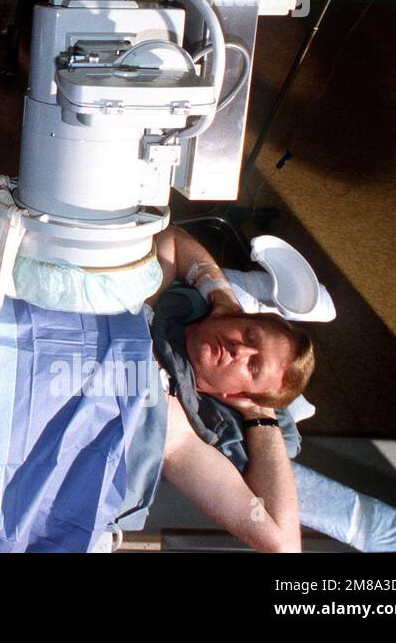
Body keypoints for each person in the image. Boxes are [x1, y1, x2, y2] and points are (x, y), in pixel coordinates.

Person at [111, 224, 316, 552]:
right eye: (249, 335)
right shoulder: (145, 305)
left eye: (252, 367)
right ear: (237, 315)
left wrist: (259, 413)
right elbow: (173, 239)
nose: (240, 350)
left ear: (234, 396)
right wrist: (221, 295)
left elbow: (282, 542)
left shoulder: (177, 434)